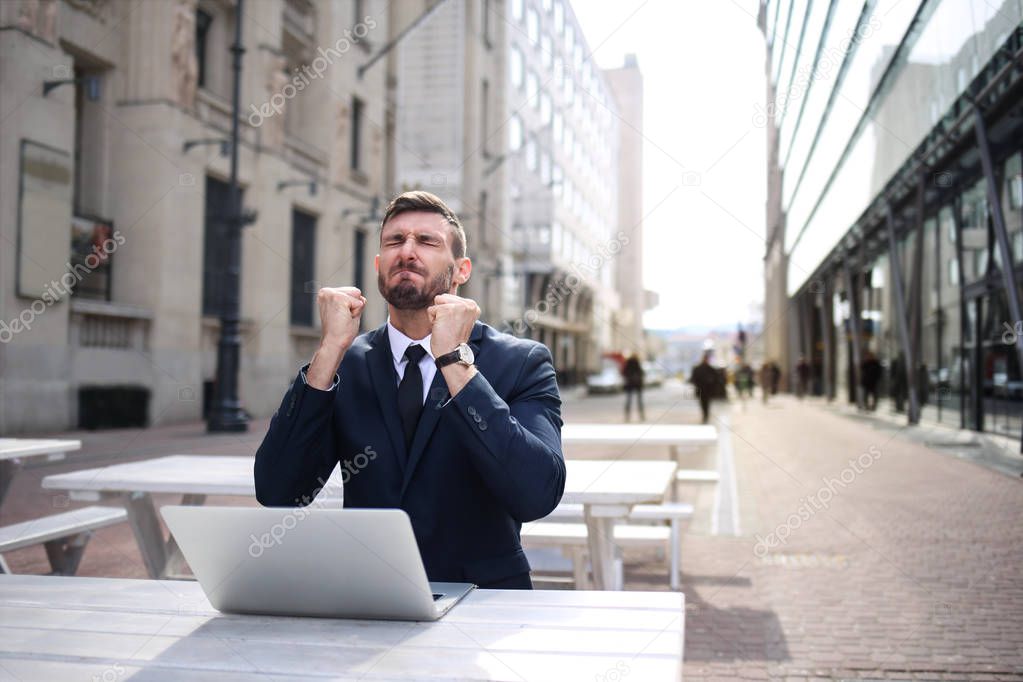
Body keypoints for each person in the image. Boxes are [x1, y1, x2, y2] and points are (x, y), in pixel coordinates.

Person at [254, 191, 566, 590]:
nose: (408, 251)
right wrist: (329, 350)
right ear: (379, 263)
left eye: (427, 241)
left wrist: (455, 361)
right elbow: (279, 490)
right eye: (395, 241)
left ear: (461, 270)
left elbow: (537, 493)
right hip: (370, 599)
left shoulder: (522, 362)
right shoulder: (344, 363)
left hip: (484, 603)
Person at [689, 351, 717, 424]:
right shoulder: (698, 368)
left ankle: (706, 415)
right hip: (701, 389)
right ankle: (705, 415)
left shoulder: (710, 369)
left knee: (706, 403)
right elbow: (693, 379)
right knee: (703, 403)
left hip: (707, 390)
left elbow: (716, 379)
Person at [622, 353, 645, 422]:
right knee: (638, 401)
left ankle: (627, 416)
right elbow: (641, 373)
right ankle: (641, 415)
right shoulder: (636, 363)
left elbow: (624, 372)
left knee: (630, 401)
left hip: (631, 384)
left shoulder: (629, 363)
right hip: (636, 384)